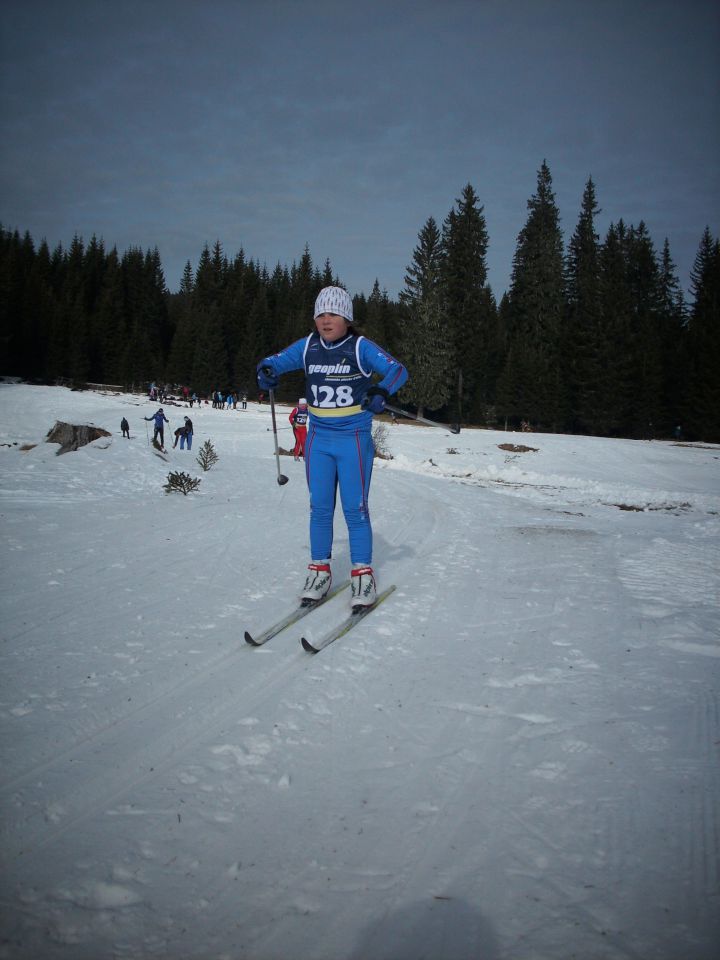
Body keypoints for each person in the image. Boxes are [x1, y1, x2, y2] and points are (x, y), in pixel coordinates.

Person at [257, 286, 407, 610]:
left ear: (347, 319)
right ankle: (319, 570)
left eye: (333, 314)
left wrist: (381, 390)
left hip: (352, 438)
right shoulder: (309, 346)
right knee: (320, 508)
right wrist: (266, 370)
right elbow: (275, 362)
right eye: (321, 314)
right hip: (318, 440)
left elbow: (398, 369)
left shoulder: (359, 347)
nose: (326, 320)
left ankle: (363, 575)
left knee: (355, 509)